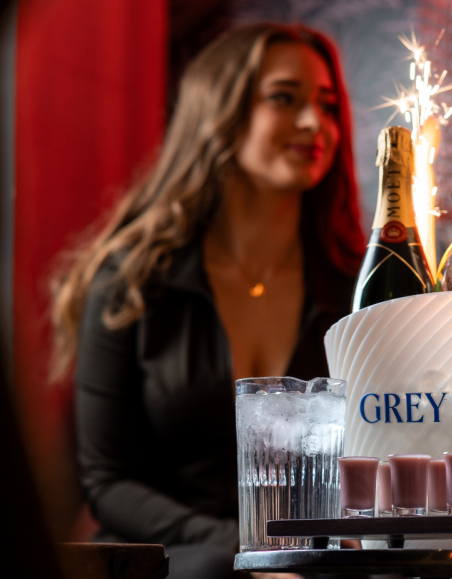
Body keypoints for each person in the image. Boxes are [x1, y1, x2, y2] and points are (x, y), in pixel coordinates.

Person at [51, 24, 363, 579]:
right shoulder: (131, 280)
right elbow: (107, 481)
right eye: (283, 98)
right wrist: (247, 551)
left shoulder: (354, 288)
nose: (314, 123)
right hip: (175, 559)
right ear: (218, 113)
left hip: (315, 562)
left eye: (327, 104)